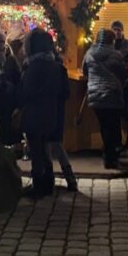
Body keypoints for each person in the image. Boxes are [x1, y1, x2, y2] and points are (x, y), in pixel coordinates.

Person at [19, 28, 60, 198]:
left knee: (37, 150)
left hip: (35, 114)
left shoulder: (34, 66)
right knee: (45, 150)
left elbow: (26, 92)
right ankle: (48, 183)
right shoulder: (54, 64)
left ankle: (39, 186)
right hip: (50, 113)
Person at [82, 28, 127, 169]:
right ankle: (111, 157)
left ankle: (108, 155)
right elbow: (123, 74)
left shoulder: (89, 54)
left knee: (104, 126)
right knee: (113, 126)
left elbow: (85, 71)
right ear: (111, 40)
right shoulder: (116, 55)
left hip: (95, 94)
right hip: (112, 93)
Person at [47, 49, 77, 192]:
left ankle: (48, 179)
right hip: (58, 111)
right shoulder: (60, 68)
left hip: (46, 111)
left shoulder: (42, 67)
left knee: (47, 145)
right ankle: (70, 178)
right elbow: (66, 93)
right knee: (56, 145)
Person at [111, 20, 128, 156]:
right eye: (114, 30)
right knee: (115, 117)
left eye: (118, 30)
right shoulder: (108, 46)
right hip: (114, 87)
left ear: (122, 31)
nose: (117, 32)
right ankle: (117, 145)